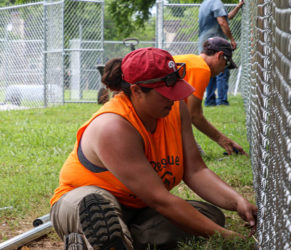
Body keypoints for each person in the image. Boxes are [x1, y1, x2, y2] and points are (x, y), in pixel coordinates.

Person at [50, 47, 257, 250]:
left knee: (210, 216)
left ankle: (103, 241)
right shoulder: (113, 127)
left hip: (140, 208)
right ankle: (103, 234)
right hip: (81, 202)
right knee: (97, 204)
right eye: (166, 93)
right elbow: (160, 199)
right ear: (137, 91)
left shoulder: (176, 108)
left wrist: (237, 201)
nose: (174, 98)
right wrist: (231, 238)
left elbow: (196, 171)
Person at [174, 37, 247, 155]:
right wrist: (222, 139)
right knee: (195, 158)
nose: (223, 70)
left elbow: (185, 114)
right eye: (226, 63)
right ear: (219, 55)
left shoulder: (191, 61)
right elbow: (194, 115)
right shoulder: (201, 68)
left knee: (196, 155)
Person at [198, 0, 244, 106]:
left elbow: (227, 17)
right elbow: (222, 22)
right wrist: (232, 39)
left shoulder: (205, 3)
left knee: (209, 70)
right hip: (215, 42)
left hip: (204, 41)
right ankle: (222, 101)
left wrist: (237, 7)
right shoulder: (216, 2)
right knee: (222, 69)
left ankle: (209, 100)